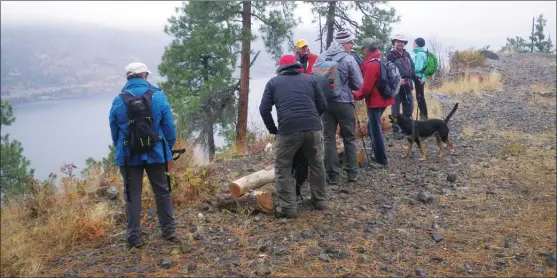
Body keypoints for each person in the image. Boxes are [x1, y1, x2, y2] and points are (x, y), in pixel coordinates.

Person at [109, 62, 180, 248]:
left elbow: (114, 131)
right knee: (162, 191)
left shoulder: (118, 101)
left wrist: (122, 148)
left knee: (132, 195)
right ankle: (169, 231)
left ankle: (134, 237)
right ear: (143, 76)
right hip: (156, 153)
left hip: (128, 156)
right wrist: (167, 149)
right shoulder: (158, 96)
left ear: (128, 78)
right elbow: (169, 129)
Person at [259, 54, 328, 218]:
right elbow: (323, 104)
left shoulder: (273, 83)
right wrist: (312, 119)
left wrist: (273, 129)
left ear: (281, 68)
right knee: (317, 164)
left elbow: (264, 109)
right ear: (296, 66)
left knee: (283, 166)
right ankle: (320, 201)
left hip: (288, 130)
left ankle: (289, 208)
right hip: (313, 128)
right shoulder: (310, 79)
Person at [316, 30, 363, 185]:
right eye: (351, 43)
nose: (352, 46)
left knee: (329, 139)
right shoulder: (349, 59)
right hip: (344, 103)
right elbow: (358, 84)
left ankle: (332, 175)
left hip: (325, 103)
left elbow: (313, 78)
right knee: (349, 138)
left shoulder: (321, 57)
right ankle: (352, 173)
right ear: (344, 44)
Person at [353, 38, 394, 167]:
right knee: (372, 127)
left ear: (366, 49)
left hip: (376, 101)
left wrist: (356, 95)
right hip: (386, 98)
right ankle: (377, 154)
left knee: (375, 129)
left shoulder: (372, 64)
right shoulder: (382, 59)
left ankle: (381, 160)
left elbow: (366, 88)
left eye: (363, 49)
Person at [387, 35, 418, 140]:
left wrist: (417, 79)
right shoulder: (390, 56)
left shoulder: (407, 54)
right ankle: (395, 130)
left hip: (408, 84)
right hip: (396, 85)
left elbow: (412, 68)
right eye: (398, 41)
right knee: (395, 108)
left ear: (404, 44)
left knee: (409, 106)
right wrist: (396, 81)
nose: (400, 43)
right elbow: (387, 71)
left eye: (402, 42)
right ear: (394, 43)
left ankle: (405, 127)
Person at [412, 37, 428, 120]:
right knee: (420, 96)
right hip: (421, 77)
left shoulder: (419, 54)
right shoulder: (422, 53)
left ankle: (423, 117)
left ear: (418, 44)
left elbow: (417, 68)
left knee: (420, 97)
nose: (413, 45)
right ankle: (423, 116)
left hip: (418, 78)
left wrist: (409, 69)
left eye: (414, 43)